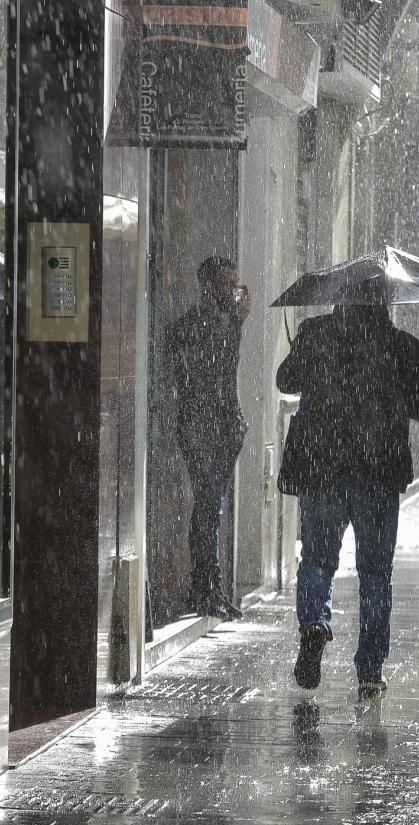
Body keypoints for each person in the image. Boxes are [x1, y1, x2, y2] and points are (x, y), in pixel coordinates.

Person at [276, 302, 419, 699]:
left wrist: (306, 347)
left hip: (323, 467)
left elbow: (286, 380)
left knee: (317, 558)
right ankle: (369, 668)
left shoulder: (317, 334)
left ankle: (315, 621)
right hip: (378, 474)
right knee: (375, 571)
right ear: (385, 301)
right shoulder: (402, 345)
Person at [168, 256, 249, 621]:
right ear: (209, 286)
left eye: (235, 285)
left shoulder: (224, 323)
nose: (232, 292)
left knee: (209, 509)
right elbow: (201, 375)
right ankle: (206, 589)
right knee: (208, 509)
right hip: (204, 429)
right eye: (226, 285)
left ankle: (207, 588)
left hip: (220, 428)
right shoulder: (196, 326)